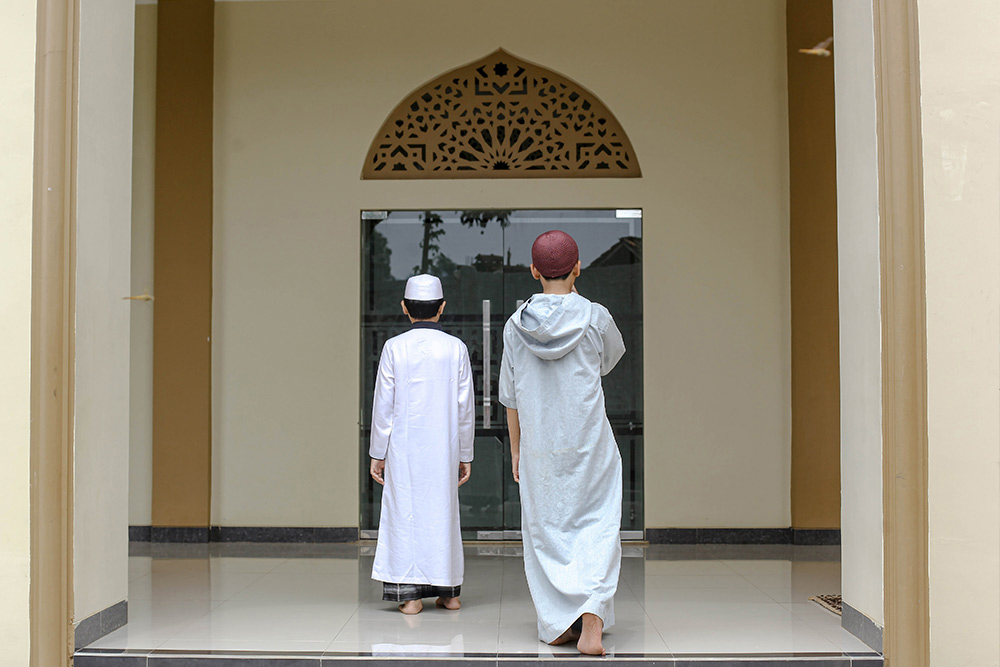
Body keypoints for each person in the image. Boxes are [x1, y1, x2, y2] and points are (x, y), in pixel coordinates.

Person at [498, 230, 626, 655]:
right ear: (578, 268)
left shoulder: (515, 327)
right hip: (590, 443)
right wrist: (579, 297)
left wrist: (516, 450)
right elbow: (608, 362)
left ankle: (556, 623)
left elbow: (511, 397)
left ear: (533, 271)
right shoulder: (596, 317)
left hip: (539, 447)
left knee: (546, 531)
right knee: (597, 527)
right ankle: (592, 620)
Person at [369, 274, 475, 615]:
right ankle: (449, 594)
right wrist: (465, 454)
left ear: (404, 308)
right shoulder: (456, 348)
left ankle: (410, 595)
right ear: (442, 308)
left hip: (403, 450)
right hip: (444, 448)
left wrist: (377, 453)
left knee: (406, 514)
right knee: (443, 514)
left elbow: (383, 407)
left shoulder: (393, 348)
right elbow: (465, 408)